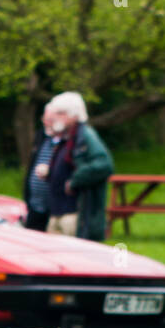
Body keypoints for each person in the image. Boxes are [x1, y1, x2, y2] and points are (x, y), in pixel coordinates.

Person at [46, 92, 113, 242]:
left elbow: (104, 164)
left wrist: (75, 181)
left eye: (61, 113)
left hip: (74, 213)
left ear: (74, 116)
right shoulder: (65, 138)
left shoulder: (85, 136)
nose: (55, 117)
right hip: (57, 211)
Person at [23, 101, 58, 232]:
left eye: (49, 119)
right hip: (35, 205)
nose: (45, 122)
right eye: (44, 118)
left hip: (53, 207)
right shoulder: (41, 136)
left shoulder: (67, 141)